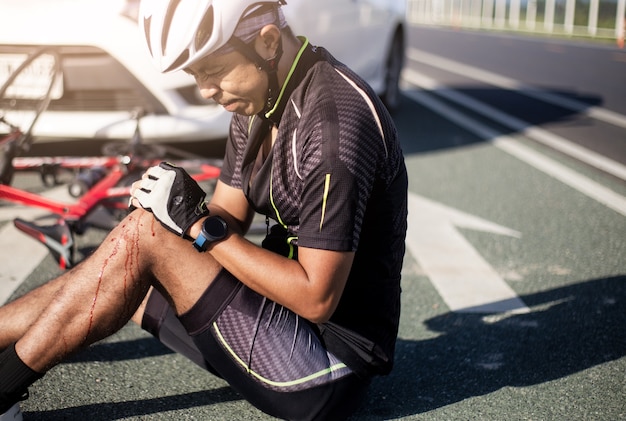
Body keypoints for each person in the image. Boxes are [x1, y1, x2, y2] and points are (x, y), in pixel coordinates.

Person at [0, 0, 408, 420]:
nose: (205, 91)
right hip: (276, 320)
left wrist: (192, 222)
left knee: (146, 241)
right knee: (122, 264)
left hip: (325, 370)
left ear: (267, 42)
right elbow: (227, 213)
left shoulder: (333, 129)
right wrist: (169, 210)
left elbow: (316, 298)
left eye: (213, 70)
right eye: (195, 75)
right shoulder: (259, 95)